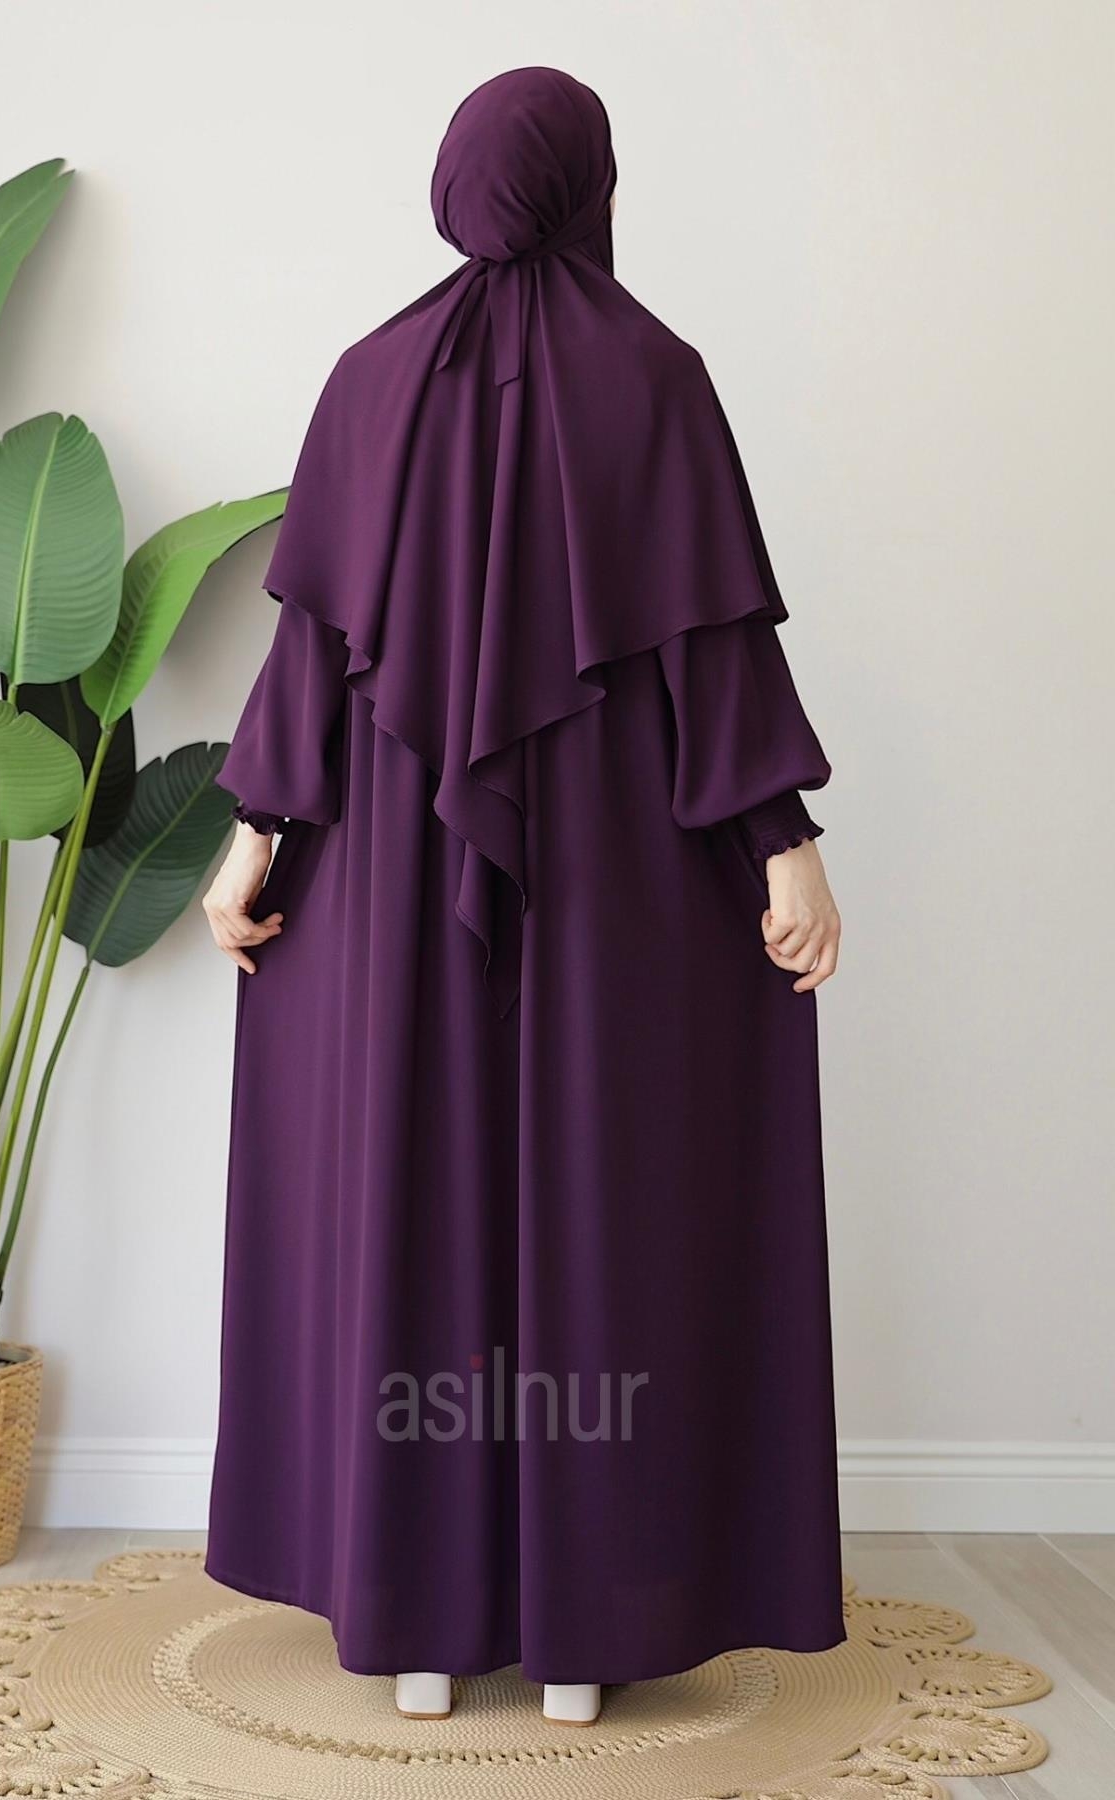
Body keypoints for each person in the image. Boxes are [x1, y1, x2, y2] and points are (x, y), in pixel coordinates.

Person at [203, 67, 844, 1727]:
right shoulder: (657, 375)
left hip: (392, 865)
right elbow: (712, 646)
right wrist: (780, 847)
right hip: (619, 867)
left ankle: (417, 1627)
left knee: (411, 1190)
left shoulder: (366, 382)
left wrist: (253, 838)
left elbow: (315, 650)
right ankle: (582, 1639)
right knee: (600, 1195)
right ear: (588, 185)